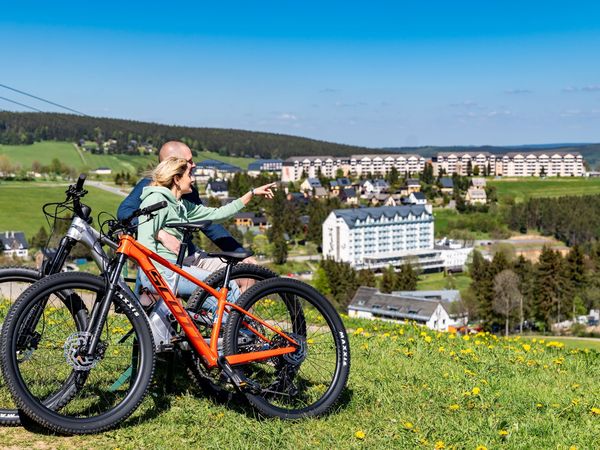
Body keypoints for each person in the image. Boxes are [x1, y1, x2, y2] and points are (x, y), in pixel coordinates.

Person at [118, 140, 256, 288]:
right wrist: (161, 234)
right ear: (173, 164)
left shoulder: (188, 191)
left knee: (247, 275)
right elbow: (124, 213)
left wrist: (242, 254)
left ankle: (232, 311)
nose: (195, 164)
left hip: (188, 255)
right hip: (165, 261)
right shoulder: (151, 187)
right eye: (189, 161)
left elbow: (210, 224)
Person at [137, 156, 275, 301]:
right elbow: (145, 243)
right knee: (227, 287)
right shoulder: (156, 200)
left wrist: (250, 194)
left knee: (228, 290)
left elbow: (217, 214)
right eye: (189, 175)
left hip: (175, 267)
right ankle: (233, 323)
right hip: (163, 271)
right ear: (177, 179)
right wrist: (157, 275)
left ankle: (230, 322)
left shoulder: (181, 205)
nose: (193, 179)